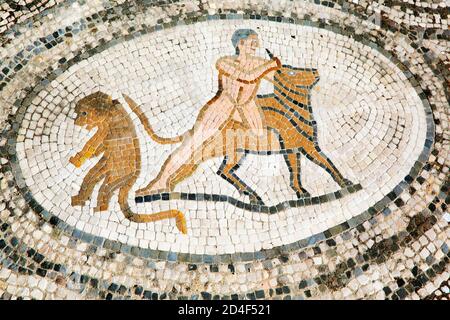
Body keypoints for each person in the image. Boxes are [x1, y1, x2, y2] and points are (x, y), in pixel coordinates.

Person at [136, 29, 281, 196]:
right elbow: (247, 77)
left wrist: (281, 74)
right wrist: (270, 65)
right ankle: (160, 183)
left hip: (248, 110)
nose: (256, 45)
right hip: (222, 108)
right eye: (252, 41)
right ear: (240, 44)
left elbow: (281, 78)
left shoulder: (258, 63)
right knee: (192, 145)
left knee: (261, 135)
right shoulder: (225, 62)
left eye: (257, 42)